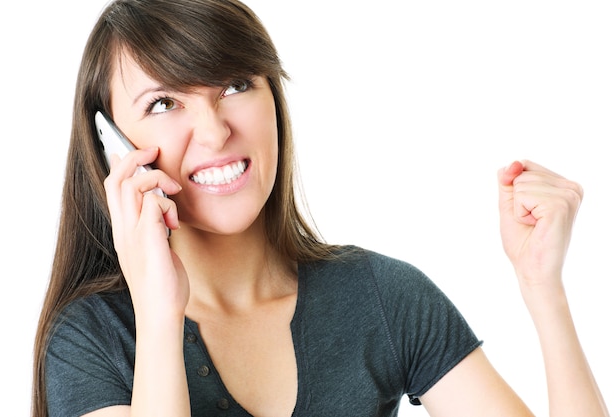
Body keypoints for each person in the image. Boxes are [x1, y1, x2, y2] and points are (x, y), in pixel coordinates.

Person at [31, 0, 610, 416]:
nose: (213, 132)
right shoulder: (94, 338)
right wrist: (159, 315)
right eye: (163, 103)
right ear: (113, 145)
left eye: (235, 85)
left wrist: (544, 289)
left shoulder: (382, 297)